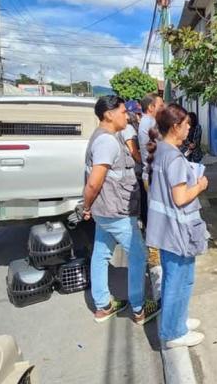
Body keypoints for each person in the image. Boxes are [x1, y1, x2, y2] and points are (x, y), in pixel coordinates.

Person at [82, 95, 160, 325]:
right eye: (123, 112)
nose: (127, 115)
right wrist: (85, 206)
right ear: (109, 114)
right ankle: (139, 308)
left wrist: (90, 207)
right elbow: (95, 182)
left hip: (105, 210)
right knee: (137, 254)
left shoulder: (105, 137)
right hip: (116, 211)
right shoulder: (106, 141)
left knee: (101, 253)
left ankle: (103, 305)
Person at [145, 106, 209, 348]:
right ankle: (173, 333)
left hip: (167, 229)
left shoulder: (163, 150)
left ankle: (178, 320)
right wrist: (201, 185)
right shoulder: (172, 156)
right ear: (175, 126)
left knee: (181, 278)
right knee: (178, 281)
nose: (190, 127)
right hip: (177, 231)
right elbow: (181, 197)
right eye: (186, 124)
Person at [138, 93, 165, 188]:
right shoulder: (150, 122)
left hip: (151, 173)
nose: (164, 108)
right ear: (151, 107)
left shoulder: (146, 121)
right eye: (161, 105)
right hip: (153, 175)